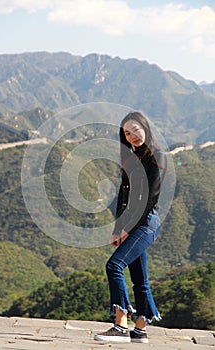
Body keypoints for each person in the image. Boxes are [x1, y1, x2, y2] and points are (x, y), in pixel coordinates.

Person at [94, 111, 167, 343]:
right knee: (140, 279)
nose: (133, 135)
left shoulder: (157, 156)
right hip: (131, 224)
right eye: (127, 133)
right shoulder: (130, 159)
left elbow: (150, 199)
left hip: (146, 223)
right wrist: (118, 227)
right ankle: (140, 330)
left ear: (145, 127)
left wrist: (128, 228)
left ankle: (120, 325)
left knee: (114, 265)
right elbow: (123, 196)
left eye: (135, 129)